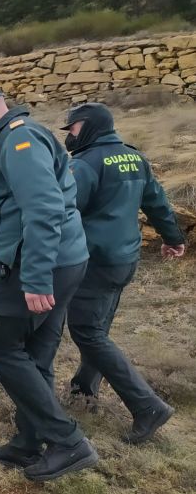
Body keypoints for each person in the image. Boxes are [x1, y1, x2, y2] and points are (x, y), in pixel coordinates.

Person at [0, 79, 97, 482]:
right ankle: (29, 440)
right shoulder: (16, 137)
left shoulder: (18, 140)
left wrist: (34, 277)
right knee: (35, 352)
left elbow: (44, 209)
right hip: (61, 259)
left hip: (37, 264)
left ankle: (67, 442)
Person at [62, 102, 185, 443]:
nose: (69, 135)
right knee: (97, 328)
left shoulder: (86, 164)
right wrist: (174, 238)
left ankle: (147, 406)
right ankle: (84, 389)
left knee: (87, 331)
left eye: (72, 128)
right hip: (125, 259)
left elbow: (66, 210)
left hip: (95, 260)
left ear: (88, 126)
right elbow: (157, 202)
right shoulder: (135, 157)